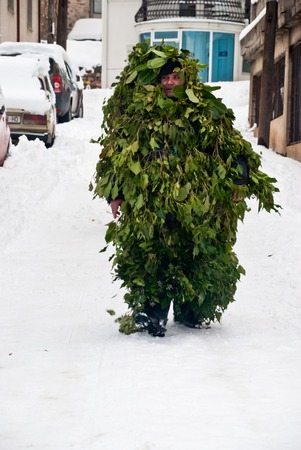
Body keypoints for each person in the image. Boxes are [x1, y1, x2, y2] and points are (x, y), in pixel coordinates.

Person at [92, 43, 278, 337]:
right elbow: (119, 158)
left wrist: (239, 182)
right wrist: (116, 194)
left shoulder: (205, 112)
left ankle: (191, 309)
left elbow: (234, 151)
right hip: (151, 202)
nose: (169, 83)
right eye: (164, 78)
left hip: (196, 204)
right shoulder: (140, 115)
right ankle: (151, 312)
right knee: (152, 253)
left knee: (196, 252)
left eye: (175, 77)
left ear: (185, 79)